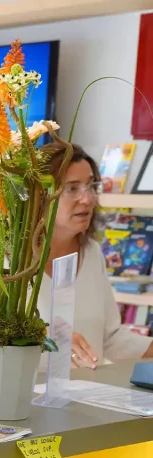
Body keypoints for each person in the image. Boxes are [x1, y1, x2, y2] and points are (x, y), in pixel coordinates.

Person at [39, 142, 153, 368]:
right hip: (27, 388)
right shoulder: (7, 259)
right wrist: (42, 333)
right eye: (72, 188)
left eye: (91, 186)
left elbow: (111, 338)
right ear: (40, 196)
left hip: (87, 388)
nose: (88, 199)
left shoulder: (91, 253)